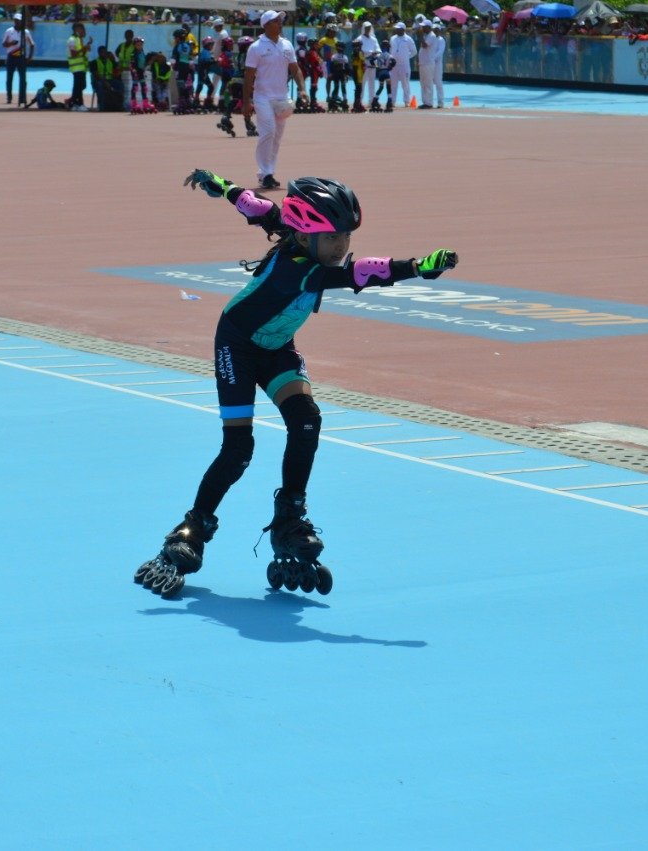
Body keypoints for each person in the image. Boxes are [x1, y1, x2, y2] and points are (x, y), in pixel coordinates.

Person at [135, 169, 459, 599]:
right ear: (306, 237)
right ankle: (192, 528)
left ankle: (289, 515)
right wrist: (415, 267)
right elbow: (359, 274)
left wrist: (224, 187)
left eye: (345, 237)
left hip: (276, 346)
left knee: (306, 420)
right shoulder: (299, 269)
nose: (341, 247)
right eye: (332, 239)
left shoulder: (296, 235)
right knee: (238, 450)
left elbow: (261, 209)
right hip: (237, 346)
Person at [242, 11, 303, 191]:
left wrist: (303, 89)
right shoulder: (256, 47)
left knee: (277, 137)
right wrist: (246, 102)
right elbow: (248, 76)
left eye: (280, 20)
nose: (280, 23)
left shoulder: (287, 45)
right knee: (268, 131)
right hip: (262, 97)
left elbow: (295, 69)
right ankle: (265, 172)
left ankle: (269, 172)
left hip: (282, 98)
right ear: (266, 24)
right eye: (276, 21)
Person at [2, 12, 34, 107]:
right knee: (9, 78)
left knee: (23, 79)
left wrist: (30, 57)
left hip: (21, 57)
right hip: (11, 56)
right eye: (16, 20)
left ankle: (22, 97)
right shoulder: (9, 31)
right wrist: (11, 43)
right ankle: (9, 97)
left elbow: (32, 44)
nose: (17, 22)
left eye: (19, 21)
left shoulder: (26, 32)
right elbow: (4, 44)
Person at [387, 21, 415, 108]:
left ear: (403, 29)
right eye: (396, 28)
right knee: (393, 84)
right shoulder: (392, 38)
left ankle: (406, 101)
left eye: (399, 29)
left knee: (405, 84)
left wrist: (406, 57)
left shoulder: (408, 39)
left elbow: (414, 51)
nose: (397, 30)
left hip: (404, 65)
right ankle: (393, 101)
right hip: (394, 66)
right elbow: (390, 50)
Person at [66, 21, 92, 110]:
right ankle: (77, 104)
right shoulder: (72, 40)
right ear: (77, 29)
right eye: (82, 29)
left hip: (82, 66)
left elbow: (81, 52)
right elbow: (73, 54)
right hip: (76, 66)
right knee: (78, 85)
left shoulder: (78, 39)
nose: (84, 31)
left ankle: (75, 103)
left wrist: (87, 46)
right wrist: (84, 48)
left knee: (81, 86)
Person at [416, 19, 437, 108]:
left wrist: (420, 36)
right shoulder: (426, 35)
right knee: (423, 83)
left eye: (424, 27)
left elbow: (425, 45)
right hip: (423, 63)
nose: (422, 28)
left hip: (428, 63)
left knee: (428, 83)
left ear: (428, 27)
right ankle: (425, 101)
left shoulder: (432, 35)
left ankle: (429, 103)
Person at [431, 19, 447, 108]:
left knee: (438, 83)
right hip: (430, 64)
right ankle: (429, 102)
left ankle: (440, 102)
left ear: (439, 30)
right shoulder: (431, 39)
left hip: (437, 64)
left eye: (436, 29)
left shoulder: (441, 40)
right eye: (434, 29)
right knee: (429, 83)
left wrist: (431, 58)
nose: (435, 31)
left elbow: (440, 52)